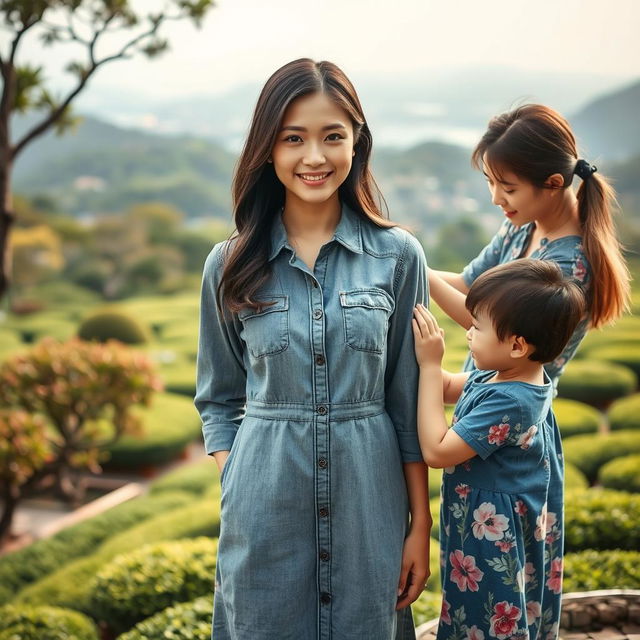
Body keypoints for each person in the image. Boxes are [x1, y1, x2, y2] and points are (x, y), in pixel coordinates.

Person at [194, 58, 430, 640]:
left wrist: (419, 523)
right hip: (264, 511)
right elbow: (219, 398)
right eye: (292, 138)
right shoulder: (228, 266)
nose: (314, 157)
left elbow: (408, 406)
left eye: (333, 136)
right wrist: (239, 478)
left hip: (369, 513)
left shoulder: (398, 258)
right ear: (267, 149)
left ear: (357, 143)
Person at [412, 258, 586, 640]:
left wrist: (429, 365)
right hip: (479, 521)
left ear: (517, 345)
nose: (469, 334)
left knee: (487, 617)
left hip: (491, 537)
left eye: (476, 327)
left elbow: (438, 452)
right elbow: (445, 387)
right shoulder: (503, 373)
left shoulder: (512, 400)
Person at [428, 104, 630, 387]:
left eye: (509, 189)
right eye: (491, 183)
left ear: (553, 183)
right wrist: (409, 266)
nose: (496, 198)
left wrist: (416, 269)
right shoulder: (521, 225)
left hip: (514, 413)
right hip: (479, 390)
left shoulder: (569, 266)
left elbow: (499, 331)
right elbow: (466, 284)